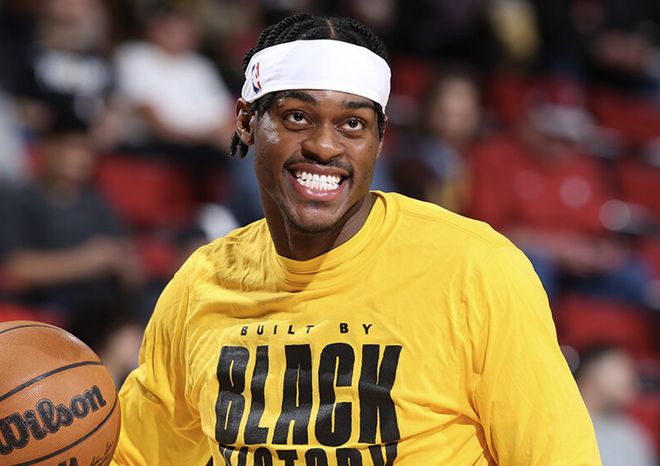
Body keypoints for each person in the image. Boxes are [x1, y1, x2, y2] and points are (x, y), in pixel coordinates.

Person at [111, 13, 601, 465]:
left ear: (380, 140)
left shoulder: (477, 270)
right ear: (245, 122)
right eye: (297, 116)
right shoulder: (200, 284)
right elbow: (136, 455)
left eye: (353, 124)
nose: (325, 146)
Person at [575, 345, 656, 466]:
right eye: (620, 367)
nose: (631, 378)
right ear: (589, 374)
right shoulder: (564, 426)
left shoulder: (631, 433)